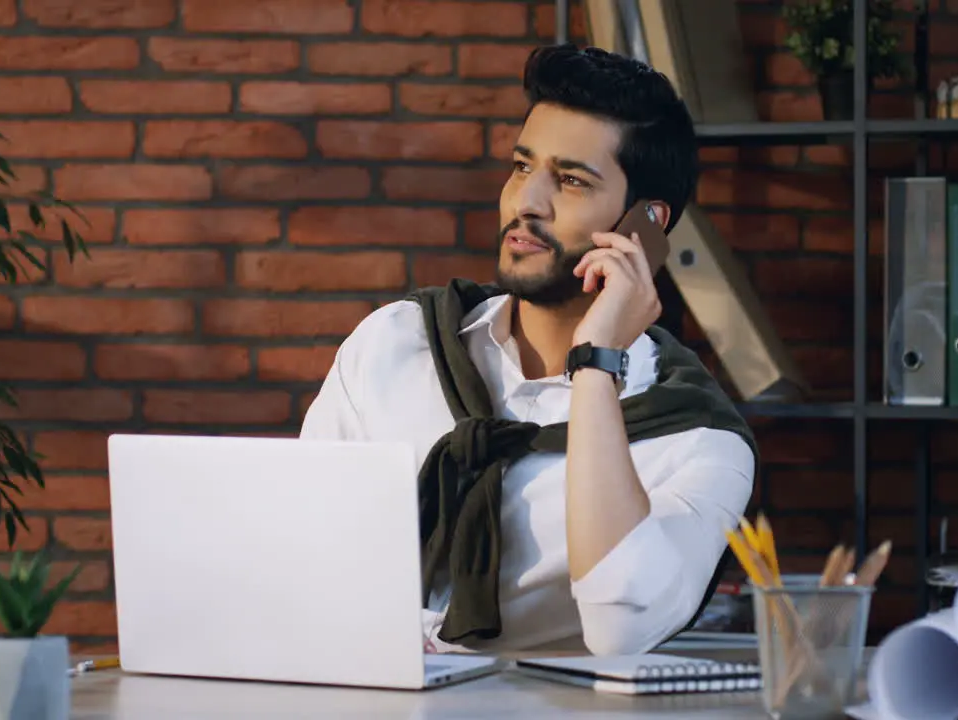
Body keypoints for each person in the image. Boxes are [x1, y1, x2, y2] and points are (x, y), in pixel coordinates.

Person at [300, 43, 757, 657]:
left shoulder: (699, 438)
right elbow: (303, 552)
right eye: (521, 167)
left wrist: (597, 364)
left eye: (569, 180)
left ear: (643, 224)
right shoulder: (394, 342)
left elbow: (620, 629)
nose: (525, 203)